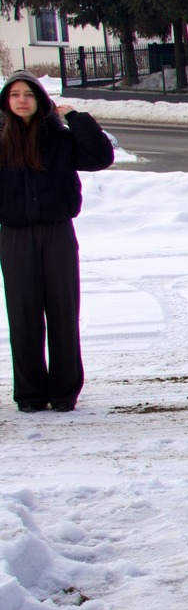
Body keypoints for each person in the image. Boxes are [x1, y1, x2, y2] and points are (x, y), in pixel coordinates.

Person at [0, 71, 113, 413]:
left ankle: (65, 392)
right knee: (23, 314)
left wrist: (76, 118)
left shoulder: (59, 138)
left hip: (58, 232)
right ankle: (31, 394)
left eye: (29, 95)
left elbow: (99, 157)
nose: (22, 100)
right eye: (15, 94)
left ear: (41, 101)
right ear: (6, 101)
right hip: (15, 235)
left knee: (63, 311)